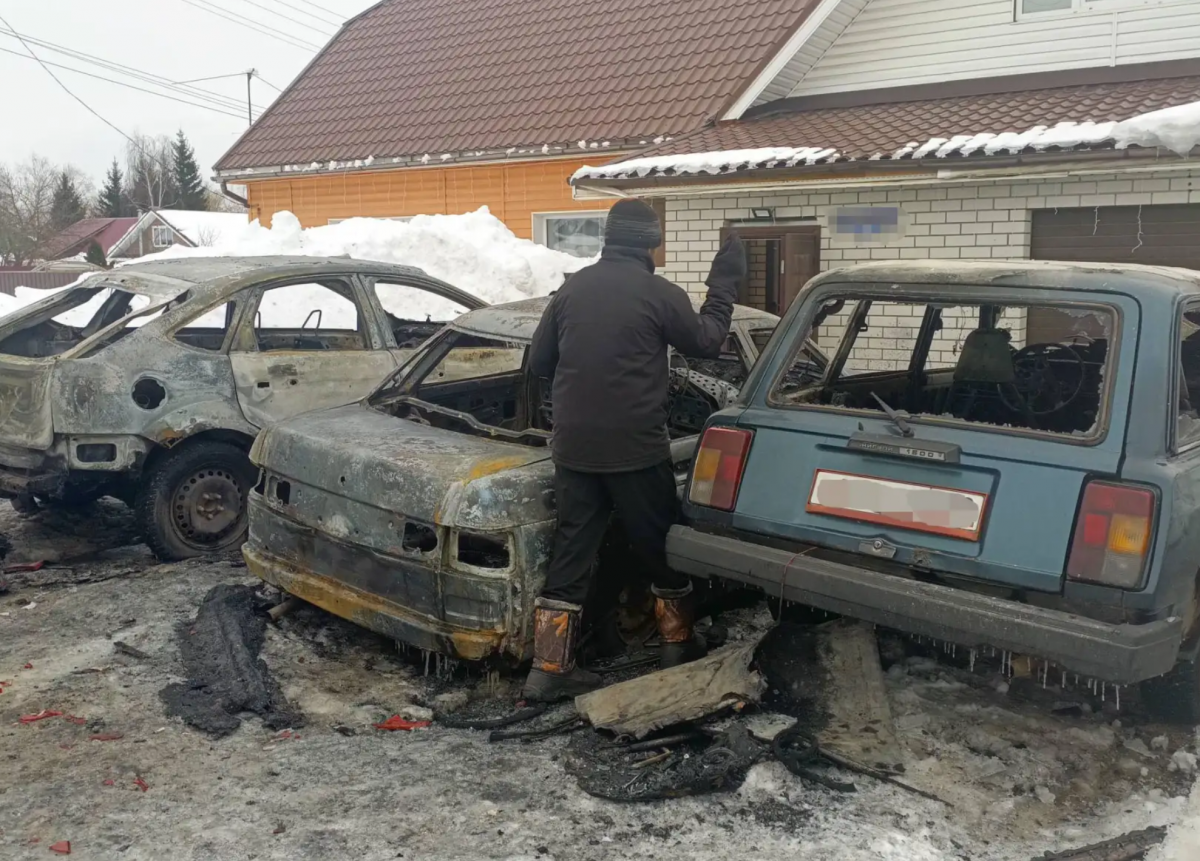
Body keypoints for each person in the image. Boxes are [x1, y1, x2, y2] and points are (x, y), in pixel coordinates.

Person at [522, 198, 747, 702]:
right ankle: (677, 644)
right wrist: (723, 284)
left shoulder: (573, 288)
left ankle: (548, 670)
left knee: (572, 550)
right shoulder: (658, 293)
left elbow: (539, 361)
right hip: (635, 448)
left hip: (574, 448)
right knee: (659, 545)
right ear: (652, 242)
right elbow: (708, 342)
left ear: (608, 237)